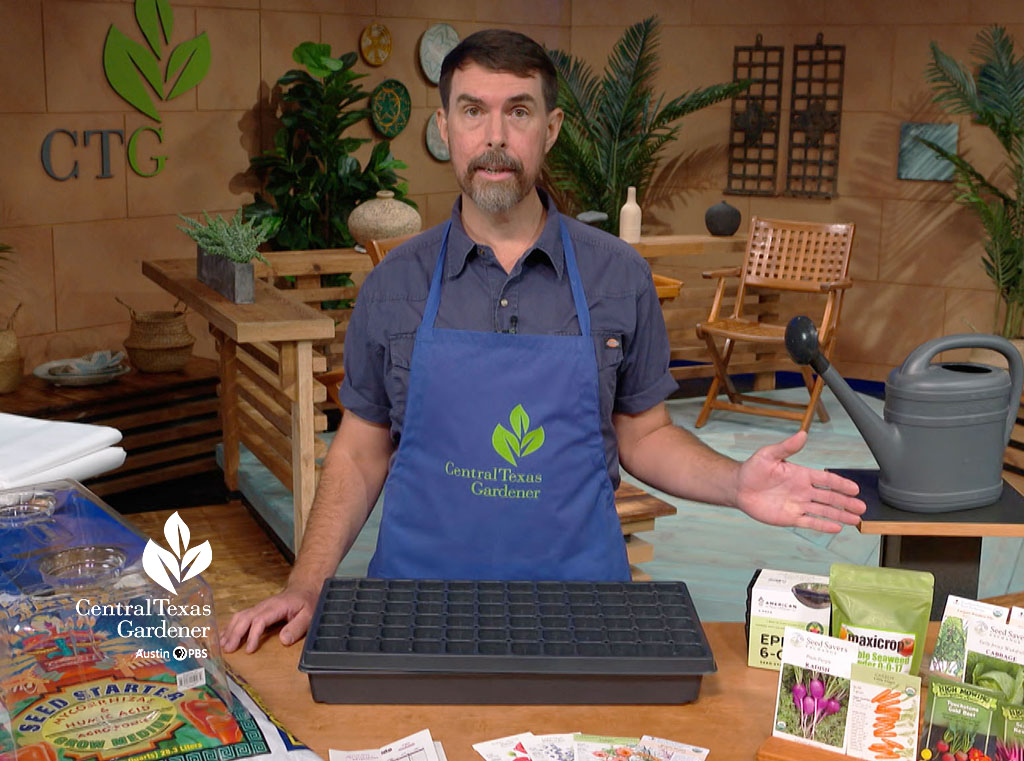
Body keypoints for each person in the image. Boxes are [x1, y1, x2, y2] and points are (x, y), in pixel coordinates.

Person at [220, 29, 865, 654]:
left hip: (581, 609)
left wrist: (737, 484)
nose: (495, 137)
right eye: (473, 111)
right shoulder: (394, 285)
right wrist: (306, 585)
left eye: (518, 112)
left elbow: (644, 434)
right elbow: (359, 455)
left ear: (549, 129)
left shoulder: (619, 277)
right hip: (418, 610)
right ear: (445, 129)